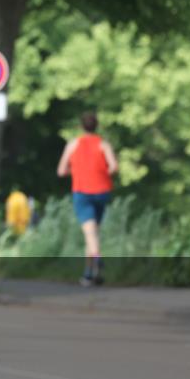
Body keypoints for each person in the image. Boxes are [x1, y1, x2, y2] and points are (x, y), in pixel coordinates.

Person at [57, 112, 118, 286]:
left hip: (82, 191)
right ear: (96, 126)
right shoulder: (103, 145)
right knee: (92, 234)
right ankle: (90, 274)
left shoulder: (73, 144)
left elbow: (61, 171)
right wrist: (101, 172)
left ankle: (97, 258)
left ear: (81, 126)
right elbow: (114, 167)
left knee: (90, 234)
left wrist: (76, 171)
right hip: (102, 191)